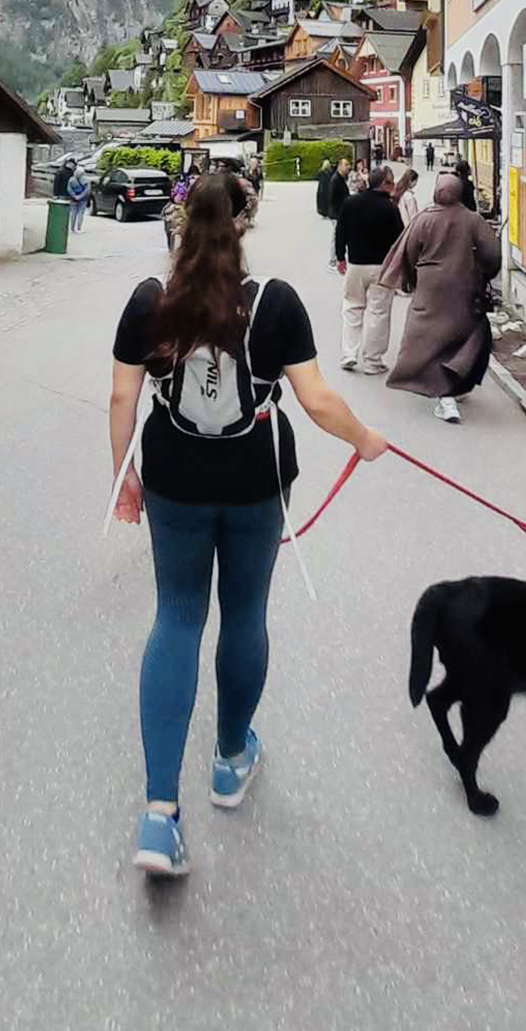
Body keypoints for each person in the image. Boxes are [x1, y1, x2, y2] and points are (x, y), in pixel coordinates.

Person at [108, 173, 388, 878]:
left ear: (181, 223)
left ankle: (159, 816)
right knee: (243, 617)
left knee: (175, 617)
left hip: (174, 477)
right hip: (255, 482)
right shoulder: (276, 304)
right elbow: (318, 400)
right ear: (245, 222)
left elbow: (121, 395)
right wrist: (363, 440)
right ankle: (231, 760)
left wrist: (126, 477)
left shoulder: (150, 303)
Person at [377, 173, 502, 423]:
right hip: (465, 288)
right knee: (463, 337)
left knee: (427, 341)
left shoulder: (423, 219)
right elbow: (493, 255)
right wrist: (482, 273)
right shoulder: (473, 220)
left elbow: (409, 254)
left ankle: (445, 395)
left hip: (430, 290)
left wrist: (413, 280)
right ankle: (453, 388)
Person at [334, 164, 406, 374]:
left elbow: (340, 231)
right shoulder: (391, 208)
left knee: (352, 308)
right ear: (383, 184)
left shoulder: (351, 203)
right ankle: (372, 361)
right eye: (392, 182)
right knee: (379, 313)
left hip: (356, 265)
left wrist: (340, 257)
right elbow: (400, 240)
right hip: (383, 268)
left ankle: (348, 353)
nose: (394, 186)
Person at [325, 156, 351, 266]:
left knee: (340, 236)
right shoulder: (335, 180)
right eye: (345, 165)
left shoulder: (341, 179)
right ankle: (332, 260)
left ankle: (336, 258)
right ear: (340, 166)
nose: (348, 168)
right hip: (337, 214)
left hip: (340, 213)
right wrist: (339, 212)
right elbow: (332, 198)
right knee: (336, 236)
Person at [66, 166, 91, 234]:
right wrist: (80, 196)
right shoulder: (86, 180)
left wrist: (74, 196)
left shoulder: (71, 179)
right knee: (81, 213)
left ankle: (72, 228)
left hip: (73, 199)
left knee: (73, 213)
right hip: (83, 199)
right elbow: (87, 190)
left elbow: (69, 189)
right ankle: (79, 228)